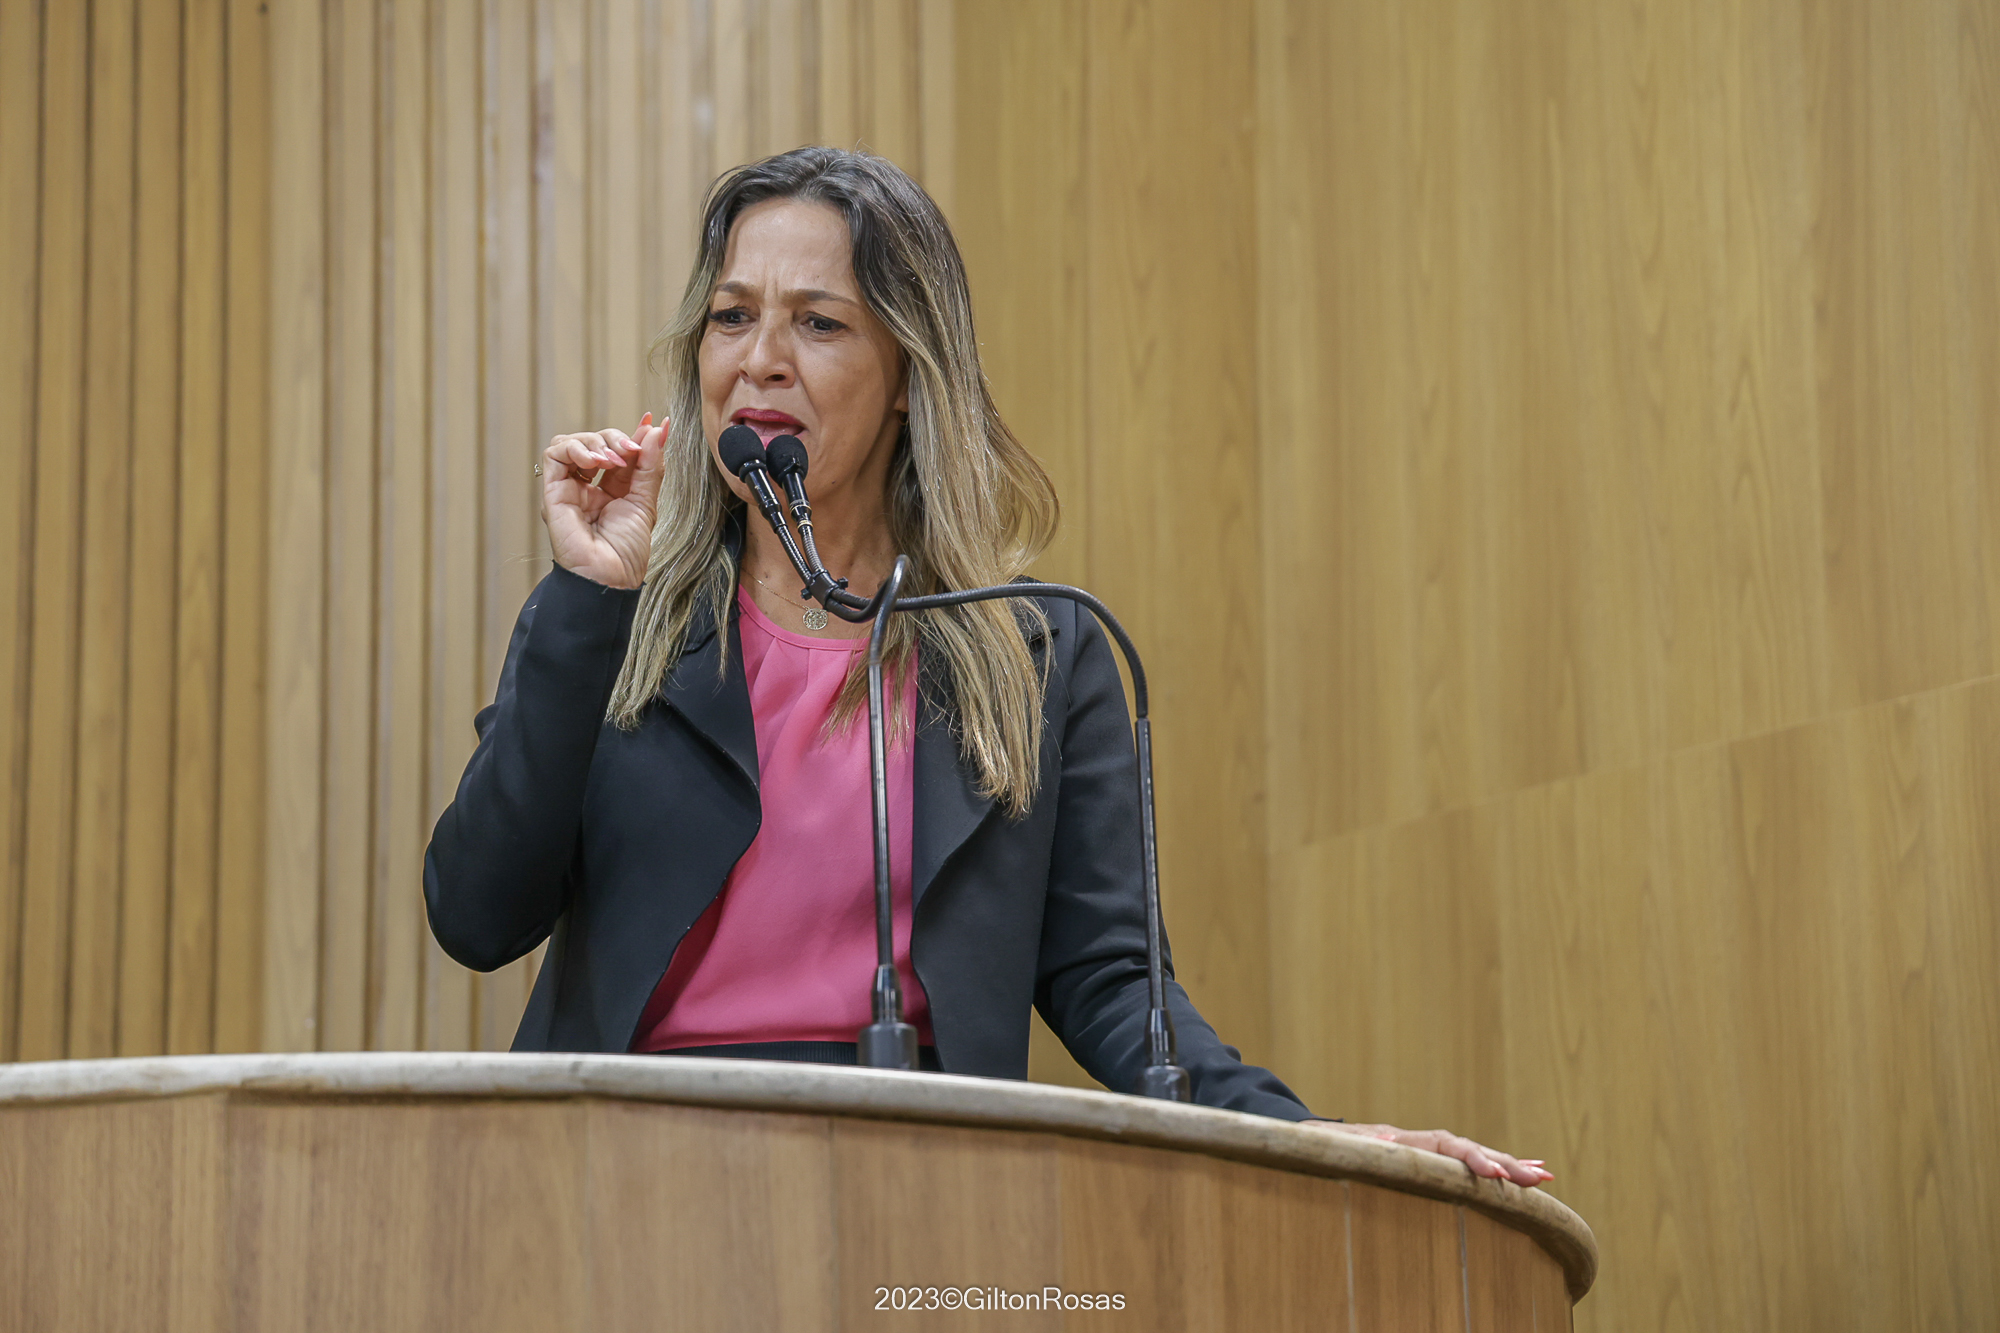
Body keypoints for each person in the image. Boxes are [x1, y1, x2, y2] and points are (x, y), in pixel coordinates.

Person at [423, 147, 1552, 1191]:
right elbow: (476, 916)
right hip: (621, 1176)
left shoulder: (1036, 653)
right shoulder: (612, 622)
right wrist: (589, 599)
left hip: (923, 1179)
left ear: (907, 373)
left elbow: (1113, 982)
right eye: (731, 316)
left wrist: (1298, 1134)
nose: (760, 358)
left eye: (818, 322)